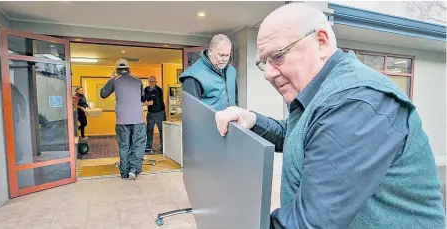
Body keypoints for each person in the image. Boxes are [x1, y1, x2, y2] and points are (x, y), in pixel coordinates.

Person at [214, 3, 445, 229]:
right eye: (264, 62)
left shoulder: (355, 104)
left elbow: (308, 223)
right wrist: (252, 120)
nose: (269, 73)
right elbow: (299, 136)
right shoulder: (320, 94)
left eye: (277, 56)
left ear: (321, 42)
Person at [100, 58, 146, 180]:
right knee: (138, 145)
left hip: (122, 120)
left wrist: (111, 79)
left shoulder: (114, 80)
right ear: (128, 69)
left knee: (124, 146)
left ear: (117, 70)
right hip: (138, 120)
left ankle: (124, 172)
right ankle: (134, 169)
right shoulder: (138, 80)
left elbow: (103, 94)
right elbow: (142, 98)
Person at [179, 34, 238, 111]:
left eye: (227, 55)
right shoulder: (193, 76)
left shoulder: (231, 71)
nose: (225, 59)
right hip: (208, 122)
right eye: (221, 55)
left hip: (231, 121)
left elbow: (235, 99)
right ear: (210, 51)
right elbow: (191, 113)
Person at [144, 76, 166, 153]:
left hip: (159, 113)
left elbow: (153, 102)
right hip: (150, 113)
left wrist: (142, 104)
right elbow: (143, 98)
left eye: (152, 81)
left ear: (156, 82)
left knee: (162, 130)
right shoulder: (146, 89)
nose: (151, 83)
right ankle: (148, 147)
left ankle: (163, 147)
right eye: (149, 81)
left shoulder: (159, 90)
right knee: (149, 130)